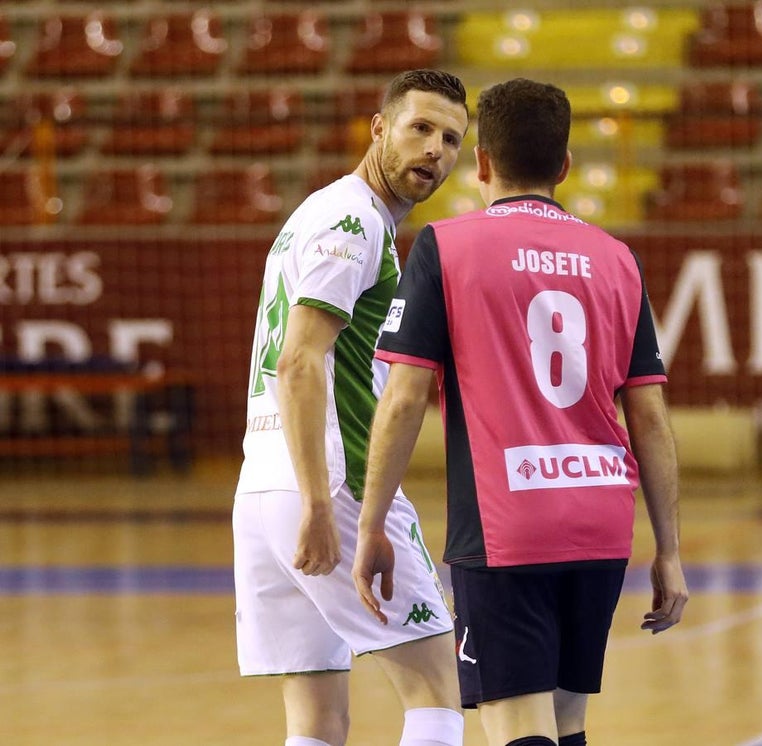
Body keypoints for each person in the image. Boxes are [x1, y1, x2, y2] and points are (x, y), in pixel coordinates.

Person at [353, 78, 689, 746]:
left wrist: (370, 526)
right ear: (564, 167)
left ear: (480, 162)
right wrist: (670, 550)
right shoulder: (618, 260)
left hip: (508, 528)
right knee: (566, 724)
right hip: (599, 524)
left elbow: (403, 400)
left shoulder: (446, 248)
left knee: (516, 728)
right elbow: (649, 418)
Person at [232, 69, 470, 746]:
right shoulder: (353, 220)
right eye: (419, 128)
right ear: (378, 128)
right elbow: (300, 360)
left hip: (261, 489)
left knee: (317, 722)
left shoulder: (319, 210)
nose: (434, 150)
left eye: (450, 139)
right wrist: (317, 502)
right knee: (435, 692)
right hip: (329, 483)